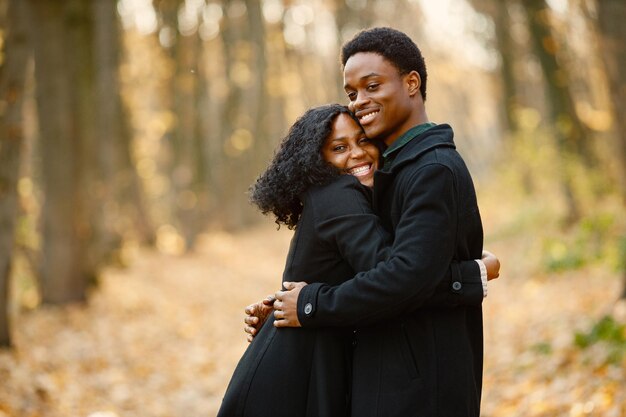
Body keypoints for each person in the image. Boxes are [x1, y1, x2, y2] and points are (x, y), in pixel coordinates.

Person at [217, 104, 496, 417]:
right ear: (316, 161)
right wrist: (474, 272)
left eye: (363, 141)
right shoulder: (338, 194)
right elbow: (400, 277)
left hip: (307, 365)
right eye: (339, 148)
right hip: (295, 379)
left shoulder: (350, 197)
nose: (357, 153)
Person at [273, 27, 489, 416]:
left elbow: (404, 277)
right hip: (393, 372)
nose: (359, 101)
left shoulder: (432, 170)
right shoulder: (386, 172)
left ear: (411, 83)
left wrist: (311, 303)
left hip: (422, 383)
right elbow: (385, 264)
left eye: (371, 86)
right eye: (352, 92)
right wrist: (472, 275)